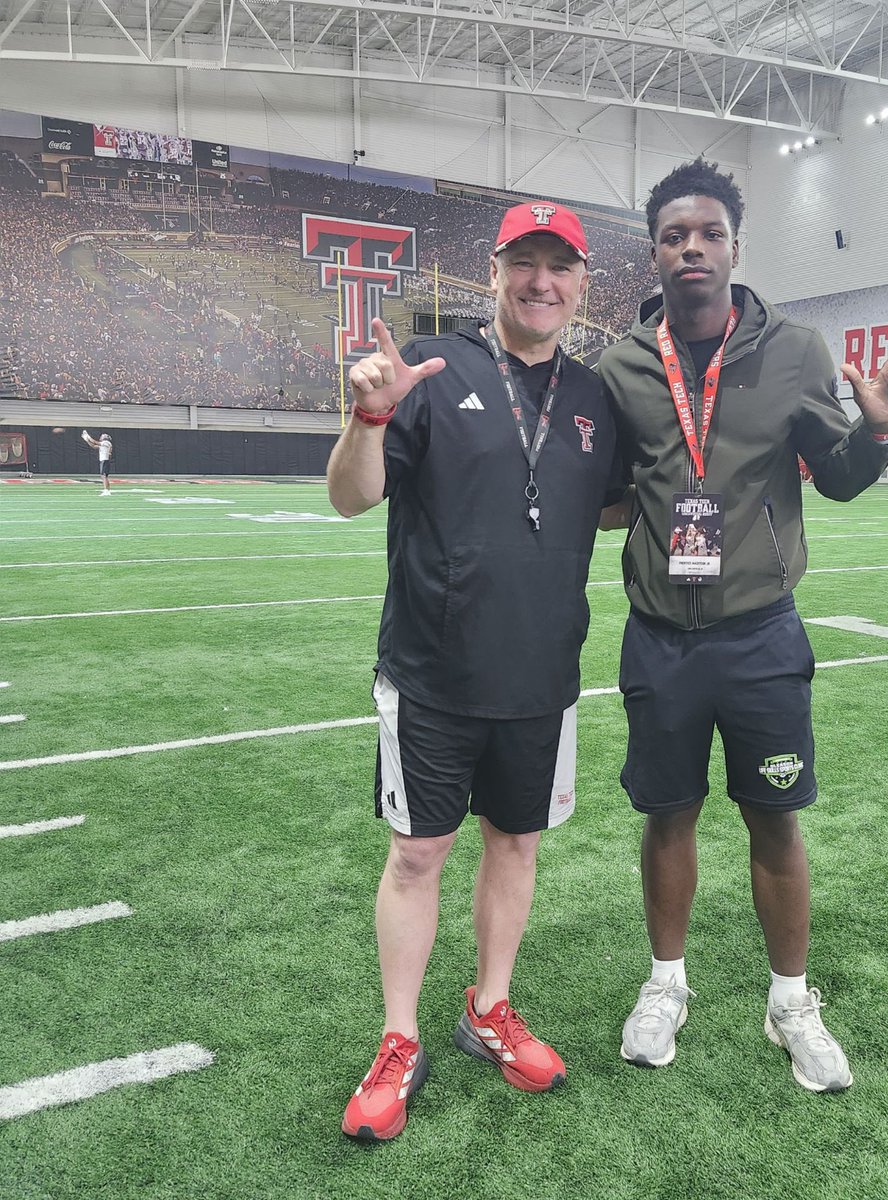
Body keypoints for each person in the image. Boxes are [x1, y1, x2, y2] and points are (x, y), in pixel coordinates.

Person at [596, 159, 888, 1092]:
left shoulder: (797, 350)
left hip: (760, 634)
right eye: (673, 235)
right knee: (668, 814)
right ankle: (667, 984)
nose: (691, 247)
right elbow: (612, 496)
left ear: (734, 247)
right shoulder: (622, 367)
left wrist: (882, 430)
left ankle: (791, 1003)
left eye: (707, 232)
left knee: (775, 819)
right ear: (656, 252)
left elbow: (843, 474)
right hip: (659, 633)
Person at [327, 201, 623, 1141]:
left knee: (518, 843)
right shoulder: (435, 369)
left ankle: (488, 1009)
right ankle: (400, 1036)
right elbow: (350, 496)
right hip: (433, 672)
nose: (542, 281)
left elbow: (608, 505)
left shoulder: (593, 395)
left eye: (560, 266)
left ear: (583, 285)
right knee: (418, 853)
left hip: (543, 672)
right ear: (493, 274)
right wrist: (369, 414)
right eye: (524, 263)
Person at [81, 429, 113, 494]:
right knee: (104, 476)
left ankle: (106, 491)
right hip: (103, 461)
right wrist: (87, 440)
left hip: (105, 460)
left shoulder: (106, 442)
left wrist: (87, 436)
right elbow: (93, 446)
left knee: (104, 476)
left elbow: (94, 442)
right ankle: (107, 490)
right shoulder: (103, 444)